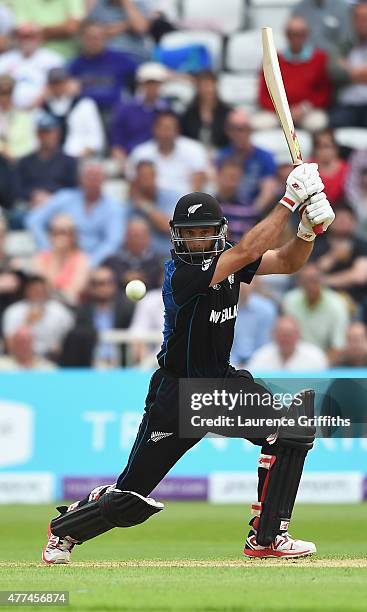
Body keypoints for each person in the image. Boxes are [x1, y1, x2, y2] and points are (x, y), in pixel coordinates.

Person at [41, 161, 336, 564]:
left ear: (219, 233)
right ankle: (64, 530)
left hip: (221, 384)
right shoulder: (182, 274)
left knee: (292, 431)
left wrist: (307, 232)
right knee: (131, 500)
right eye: (189, 234)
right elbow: (251, 248)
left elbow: (286, 262)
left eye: (204, 232)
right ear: (177, 238)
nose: (197, 240)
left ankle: (267, 539)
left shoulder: (232, 260)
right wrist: (289, 200)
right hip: (180, 395)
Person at [27, 159, 126, 267]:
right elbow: (34, 220)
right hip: (61, 260)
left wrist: (89, 264)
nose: (93, 181)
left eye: (97, 177)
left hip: (97, 264)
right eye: (89, 177)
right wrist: (47, 249)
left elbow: (113, 241)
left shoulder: (114, 207)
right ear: (80, 179)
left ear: (104, 180)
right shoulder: (64, 198)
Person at [258, 17, 331, 133]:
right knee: (259, 124)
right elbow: (263, 95)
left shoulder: (320, 58)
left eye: (300, 34)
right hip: (278, 112)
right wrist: (284, 111)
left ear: (306, 35)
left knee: (318, 123)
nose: (296, 38)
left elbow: (324, 92)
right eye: (292, 34)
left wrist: (304, 108)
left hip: (307, 111)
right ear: (286, 35)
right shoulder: (272, 60)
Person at [128, 111, 209, 194]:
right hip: (150, 203)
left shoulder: (194, 150)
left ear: (178, 130)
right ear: (154, 129)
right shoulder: (140, 153)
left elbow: (197, 189)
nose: (166, 133)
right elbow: (133, 189)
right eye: (162, 128)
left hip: (185, 203)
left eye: (169, 128)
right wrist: (148, 206)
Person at [281, 263, 349, 363]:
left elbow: (338, 346)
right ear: (300, 282)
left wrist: (318, 367)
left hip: (326, 363)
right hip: (296, 361)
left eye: (314, 280)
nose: (311, 284)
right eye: (306, 280)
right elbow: (285, 336)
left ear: (322, 281)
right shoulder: (289, 301)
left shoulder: (337, 304)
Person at [311, 205, 367, 304]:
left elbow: (360, 277)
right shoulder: (316, 245)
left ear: (355, 222)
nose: (342, 222)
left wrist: (324, 281)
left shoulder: (365, 246)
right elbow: (309, 274)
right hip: (320, 299)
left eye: (346, 219)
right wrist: (333, 256)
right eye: (338, 219)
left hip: (356, 300)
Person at [68, 21, 137, 115]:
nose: (93, 42)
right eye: (89, 38)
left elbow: (139, 77)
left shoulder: (121, 60)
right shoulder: (75, 65)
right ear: (82, 39)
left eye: (97, 38)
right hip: (87, 112)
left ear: (105, 39)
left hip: (114, 110)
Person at [71, 265, 135, 367]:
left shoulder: (127, 309)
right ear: (91, 287)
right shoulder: (83, 311)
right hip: (92, 364)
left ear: (114, 285)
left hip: (121, 364)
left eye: (107, 282)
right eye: (97, 284)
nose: (102, 287)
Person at [110, 62, 171, 166]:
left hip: (163, 161)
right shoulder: (126, 110)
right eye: (148, 83)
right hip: (131, 160)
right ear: (141, 84)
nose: (152, 87)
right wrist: (123, 163)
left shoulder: (168, 110)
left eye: (156, 83)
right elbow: (117, 144)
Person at [2, 274, 74, 360]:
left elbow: (72, 339)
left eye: (42, 291)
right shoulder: (13, 311)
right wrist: (29, 323)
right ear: (27, 291)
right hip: (19, 359)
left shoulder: (60, 311)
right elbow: (9, 344)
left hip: (52, 359)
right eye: (35, 290)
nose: (39, 294)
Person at [217, 110, 277, 211]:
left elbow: (268, 189)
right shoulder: (222, 155)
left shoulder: (265, 156)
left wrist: (250, 213)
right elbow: (219, 187)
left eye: (242, 129)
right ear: (227, 131)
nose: (238, 133)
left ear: (250, 130)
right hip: (227, 209)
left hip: (256, 211)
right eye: (233, 128)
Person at [16, 111, 78, 208]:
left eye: (51, 132)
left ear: (58, 134)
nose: (47, 137)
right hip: (30, 205)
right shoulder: (25, 162)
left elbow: (74, 191)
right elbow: (17, 189)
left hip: (60, 207)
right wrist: (34, 195)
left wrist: (53, 198)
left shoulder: (69, 161)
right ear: (37, 134)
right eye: (44, 132)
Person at [40, 67, 105, 158]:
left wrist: (76, 160)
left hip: (79, 157)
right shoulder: (42, 108)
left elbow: (96, 140)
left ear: (68, 82)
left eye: (61, 82)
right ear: (48, 85)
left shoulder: (85, 105)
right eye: (54, 83)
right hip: (50, 160)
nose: (58, 86)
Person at [0, 22, 63, 109]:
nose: (26, 40)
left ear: (40, 37)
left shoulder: (53, 60)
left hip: (43, 109)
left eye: (30, 36)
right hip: (8, 111)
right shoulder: (4, 60)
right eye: (22, 36)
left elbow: (58, 86)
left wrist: (35, 104)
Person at [32, 213, 90, 307]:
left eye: (63, 232)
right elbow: (39, 288)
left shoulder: (81, 259)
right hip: (43, 305)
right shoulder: (41, 258)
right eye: (54, 232)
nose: (59, 237)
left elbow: (74, 292)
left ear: (73, 236)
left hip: (70, 308)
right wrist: (57, 256)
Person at [128, 160, 181, 259]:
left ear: (155, 176)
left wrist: (144, 204)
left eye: (148, 175)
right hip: (142, 260)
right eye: (142, 176)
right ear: (136, 180)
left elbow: (169, 227)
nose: (146, 180)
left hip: (168, 257)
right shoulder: (131, 205)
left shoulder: (171, 197)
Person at [248, 315, 328, 371]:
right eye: (281, 335)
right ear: (274, 335)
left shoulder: (315, 357)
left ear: (298, 335)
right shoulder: (261, 356)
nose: (285, 339)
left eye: (289, 335)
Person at [10, 0, 85, 58]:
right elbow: (24, 31)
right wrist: (61, 29)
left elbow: (71, 28)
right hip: (31, 58)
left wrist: (38, 31)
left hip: (68, 58)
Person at [102, 217, 161, 290]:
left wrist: (142, 278)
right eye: (132, 236)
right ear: (125, 237)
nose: (136, 240)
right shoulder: (112, 262)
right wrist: (123, 278)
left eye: (140, 236)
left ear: (148, 238)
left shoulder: (159, 261)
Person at [230, 280, 277, 368]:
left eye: (246, 281)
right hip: (229, 363)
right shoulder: (221, 308)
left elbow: (265, 343)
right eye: (238, 281)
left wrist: (255, 363)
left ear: (255, 283)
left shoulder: (266, 309)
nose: (243, 286)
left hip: (260, 363)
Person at [86, 0, 154, 62]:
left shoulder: (139, 5)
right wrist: (127, 25)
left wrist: (126, 3)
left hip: (135, 55)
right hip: (106, 57)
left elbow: (140, 28)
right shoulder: (99, 6)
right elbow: (95, 32)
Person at [181, 70, 232, 150]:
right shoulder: (188, 114)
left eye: (210, 85)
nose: (207, 89)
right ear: (197, 88)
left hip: (221, 155)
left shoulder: (227, 113)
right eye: (203, 85)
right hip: (194, 154)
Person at [215, 157, 260, 244]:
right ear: (219, 175)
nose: (231, 182)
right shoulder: (208, 206)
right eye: (228, 176)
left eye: (235, 177)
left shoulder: (249, 210)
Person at [0, 75, 36, 160]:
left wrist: (13, 156)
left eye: (8, 92)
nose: (5, 97)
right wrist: (2, 150)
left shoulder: (24, 116)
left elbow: (28, 144)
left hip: (18, 162)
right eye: (2, 92)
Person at [311, 129, 348, 206]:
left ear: (336, 148)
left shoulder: (347, 169)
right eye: (320, 147)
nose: (324, 151)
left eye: (327, 146)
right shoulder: (308, 168)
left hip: (340, 209)